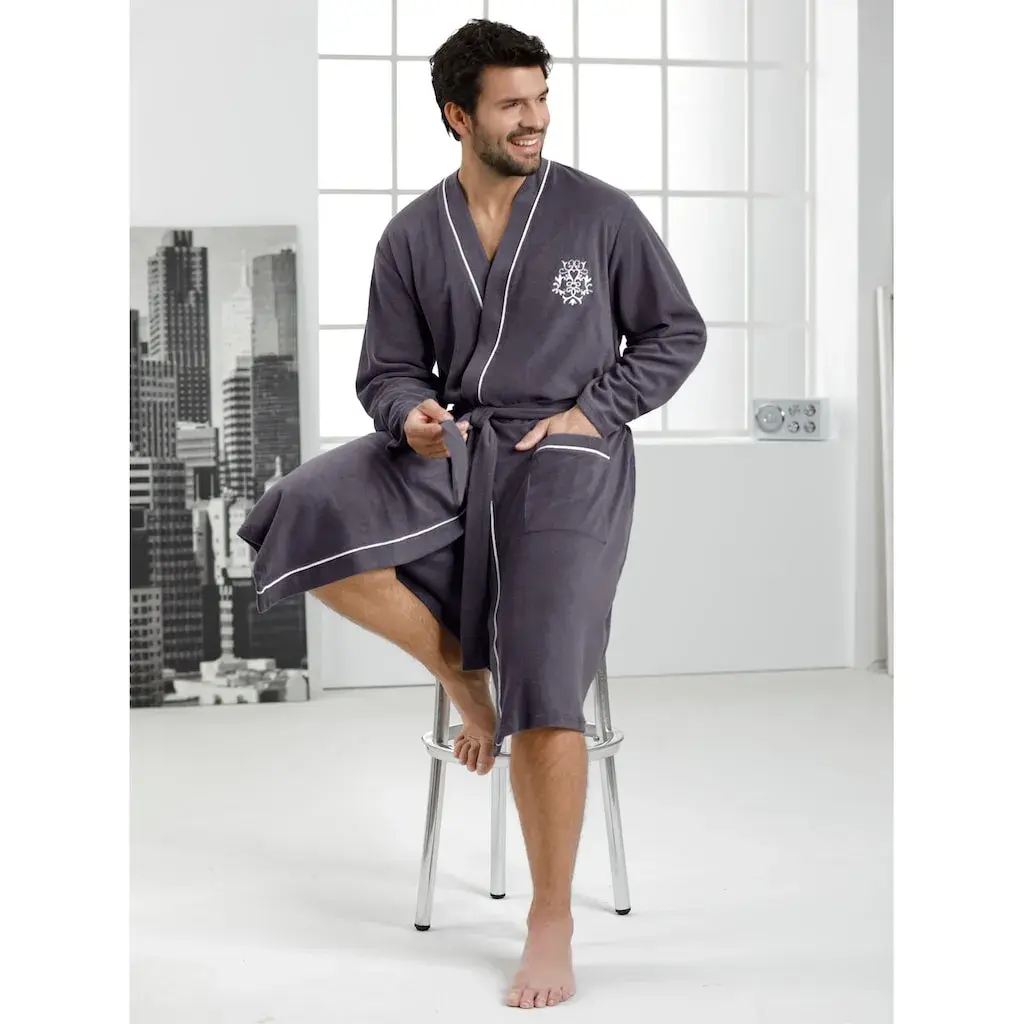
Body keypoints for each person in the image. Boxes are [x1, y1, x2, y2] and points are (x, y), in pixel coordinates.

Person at [239, 18, 706, 1011]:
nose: (536, 119)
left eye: (542, 99)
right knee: (299, 512)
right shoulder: (413, 234)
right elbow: (387, 367)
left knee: (545, 658)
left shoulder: (599, 215)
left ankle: (550, 917)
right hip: (456, 444)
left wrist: (594, 410)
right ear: (458, 116)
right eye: (512, 105)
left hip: (566, 458)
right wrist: (407, 413)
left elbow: (676, 332)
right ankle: (464, 678)